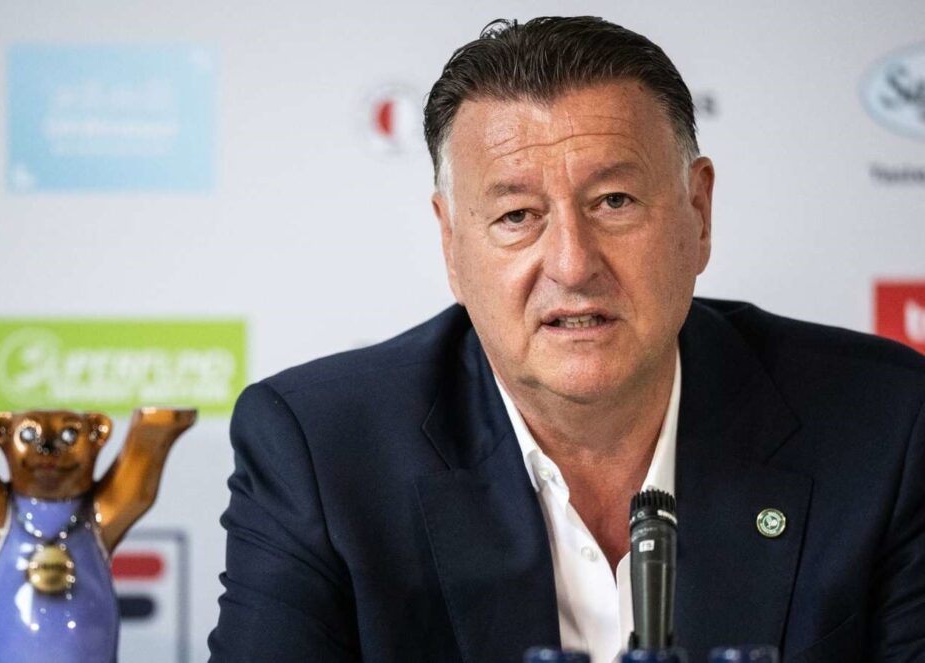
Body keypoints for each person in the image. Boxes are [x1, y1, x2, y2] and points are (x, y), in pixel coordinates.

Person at [208, 16, 925, 662]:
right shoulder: (323, 452)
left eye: (614, 201)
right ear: (452, 244)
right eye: (518, 215)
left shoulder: (886, 425)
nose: (573, 264)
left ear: (698, 213)